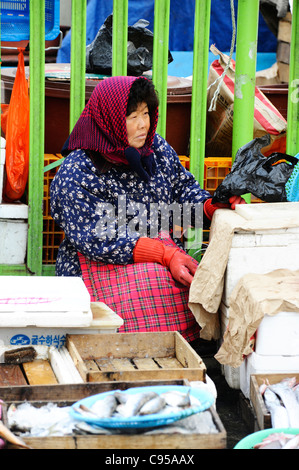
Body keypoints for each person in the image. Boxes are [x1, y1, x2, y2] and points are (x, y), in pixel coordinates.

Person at [50, 75, 245, 344]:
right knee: (157, 280)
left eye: (146, 113)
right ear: (109, 120)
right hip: (94, 266)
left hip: (162, 254)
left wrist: (212, 206)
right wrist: (164, 255)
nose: (143, 124)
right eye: (132, 116)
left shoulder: (156, 149)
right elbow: (97, 239)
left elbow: (182, 191)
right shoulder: (77, 173)